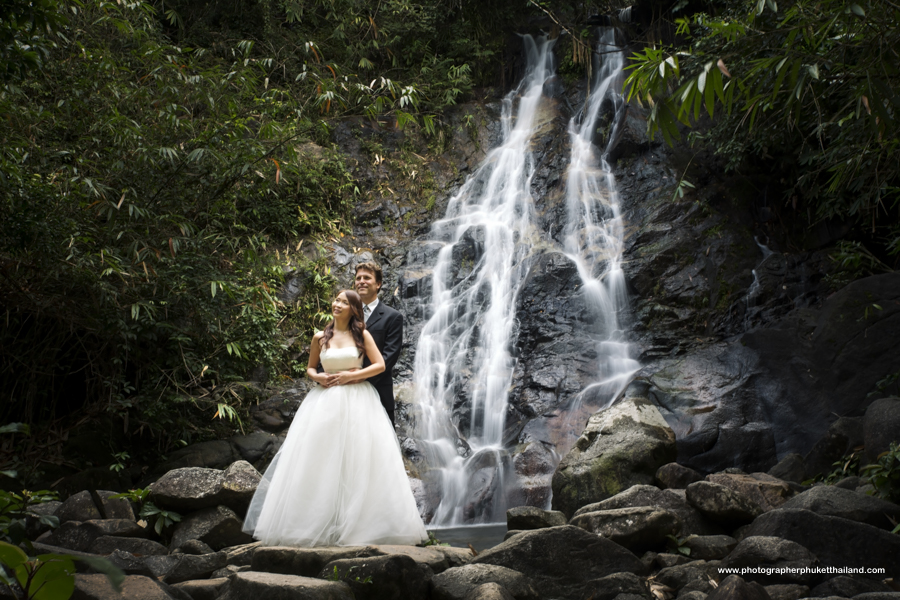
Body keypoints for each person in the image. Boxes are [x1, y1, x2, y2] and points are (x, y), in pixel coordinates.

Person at [242, 290, 427, 546]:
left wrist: (352, 376)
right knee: (321, 460)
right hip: (325, 403)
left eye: (343, 302)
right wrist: (317, 377)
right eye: (336, 300)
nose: (337, 304)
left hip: (359, 400)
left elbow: (380, 365)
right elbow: (310, 367)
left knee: (359, 459)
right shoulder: (320, 336)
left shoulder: (362, 335)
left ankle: (363, 527)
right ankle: (316, 525)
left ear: (353, 309)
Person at [353, 261, 403, 425]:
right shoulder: (345, 313)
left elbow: (389, 356)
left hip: (378, 389)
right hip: (345, 391)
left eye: (367, 277)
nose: (361, 281)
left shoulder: (392, 317)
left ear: (378, 284)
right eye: (358, 277)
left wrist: (360, 380)